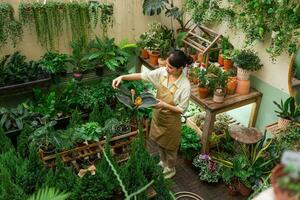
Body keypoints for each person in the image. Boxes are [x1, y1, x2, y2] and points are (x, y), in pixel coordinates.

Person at [112, 49, 192, 179]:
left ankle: (170, 168)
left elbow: (181, 109)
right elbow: (142, 76)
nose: (166, 68)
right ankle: (163, 161)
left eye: (170, 67)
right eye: (166, 65)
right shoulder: (162, 73)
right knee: (159, 142)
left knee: (170, 147)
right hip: (158, 115)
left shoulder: (184, 85)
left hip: (171, 121)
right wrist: (122, 77)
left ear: (180, 68)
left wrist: (164, 105)